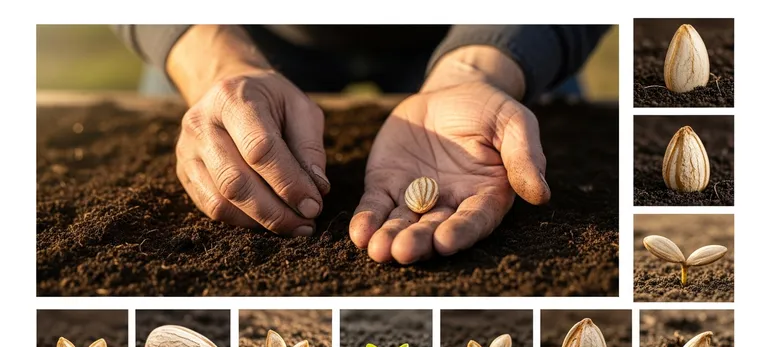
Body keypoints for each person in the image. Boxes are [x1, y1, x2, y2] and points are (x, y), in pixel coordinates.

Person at [114, 24, 610, 264]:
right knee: (223, 146)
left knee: (549, 137)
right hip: (239, 29)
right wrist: (214, 65)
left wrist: (478, 69)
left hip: (489, 29)